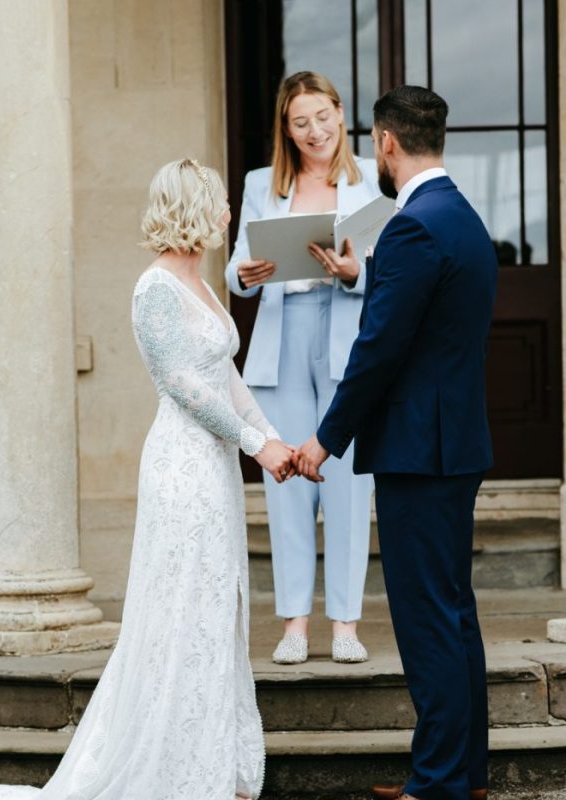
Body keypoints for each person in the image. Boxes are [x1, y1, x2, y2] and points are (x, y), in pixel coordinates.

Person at [0, 159, 295, 800]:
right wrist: (258, 444)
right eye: (222, 201)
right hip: (181, 466)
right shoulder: (155, 290)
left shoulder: (203, 286)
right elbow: (185, 387)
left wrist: (272, 438)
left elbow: (226, 377)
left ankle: (209, 754)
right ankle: (168, 767)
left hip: (217, 467)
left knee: (213, 606)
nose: (231, 211)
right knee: (180, 609)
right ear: (195, 208)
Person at [295, 85, 497, 800]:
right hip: (455, 445)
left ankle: (437, 782)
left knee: (426, 618)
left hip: (419, 450)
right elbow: (428, 309)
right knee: (454, 613)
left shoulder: (412, 226)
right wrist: (365, 272)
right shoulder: (460, 217)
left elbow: (379, 349)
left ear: (384, 143)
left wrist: (323, 440)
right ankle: (463, 772)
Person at [225, 71, 379, 665]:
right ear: (285, 130)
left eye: (322, 117)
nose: (313, 130)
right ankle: (295, 625)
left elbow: (389, 271)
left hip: (345, 340)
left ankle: (345, 624)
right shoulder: (263, 183)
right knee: (285, 477)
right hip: (281, 340)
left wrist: (355, 274)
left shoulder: (371, 182)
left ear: (340, 114)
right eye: (299, 122)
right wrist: (245, 274)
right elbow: (234, 269)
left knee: (346, 483)